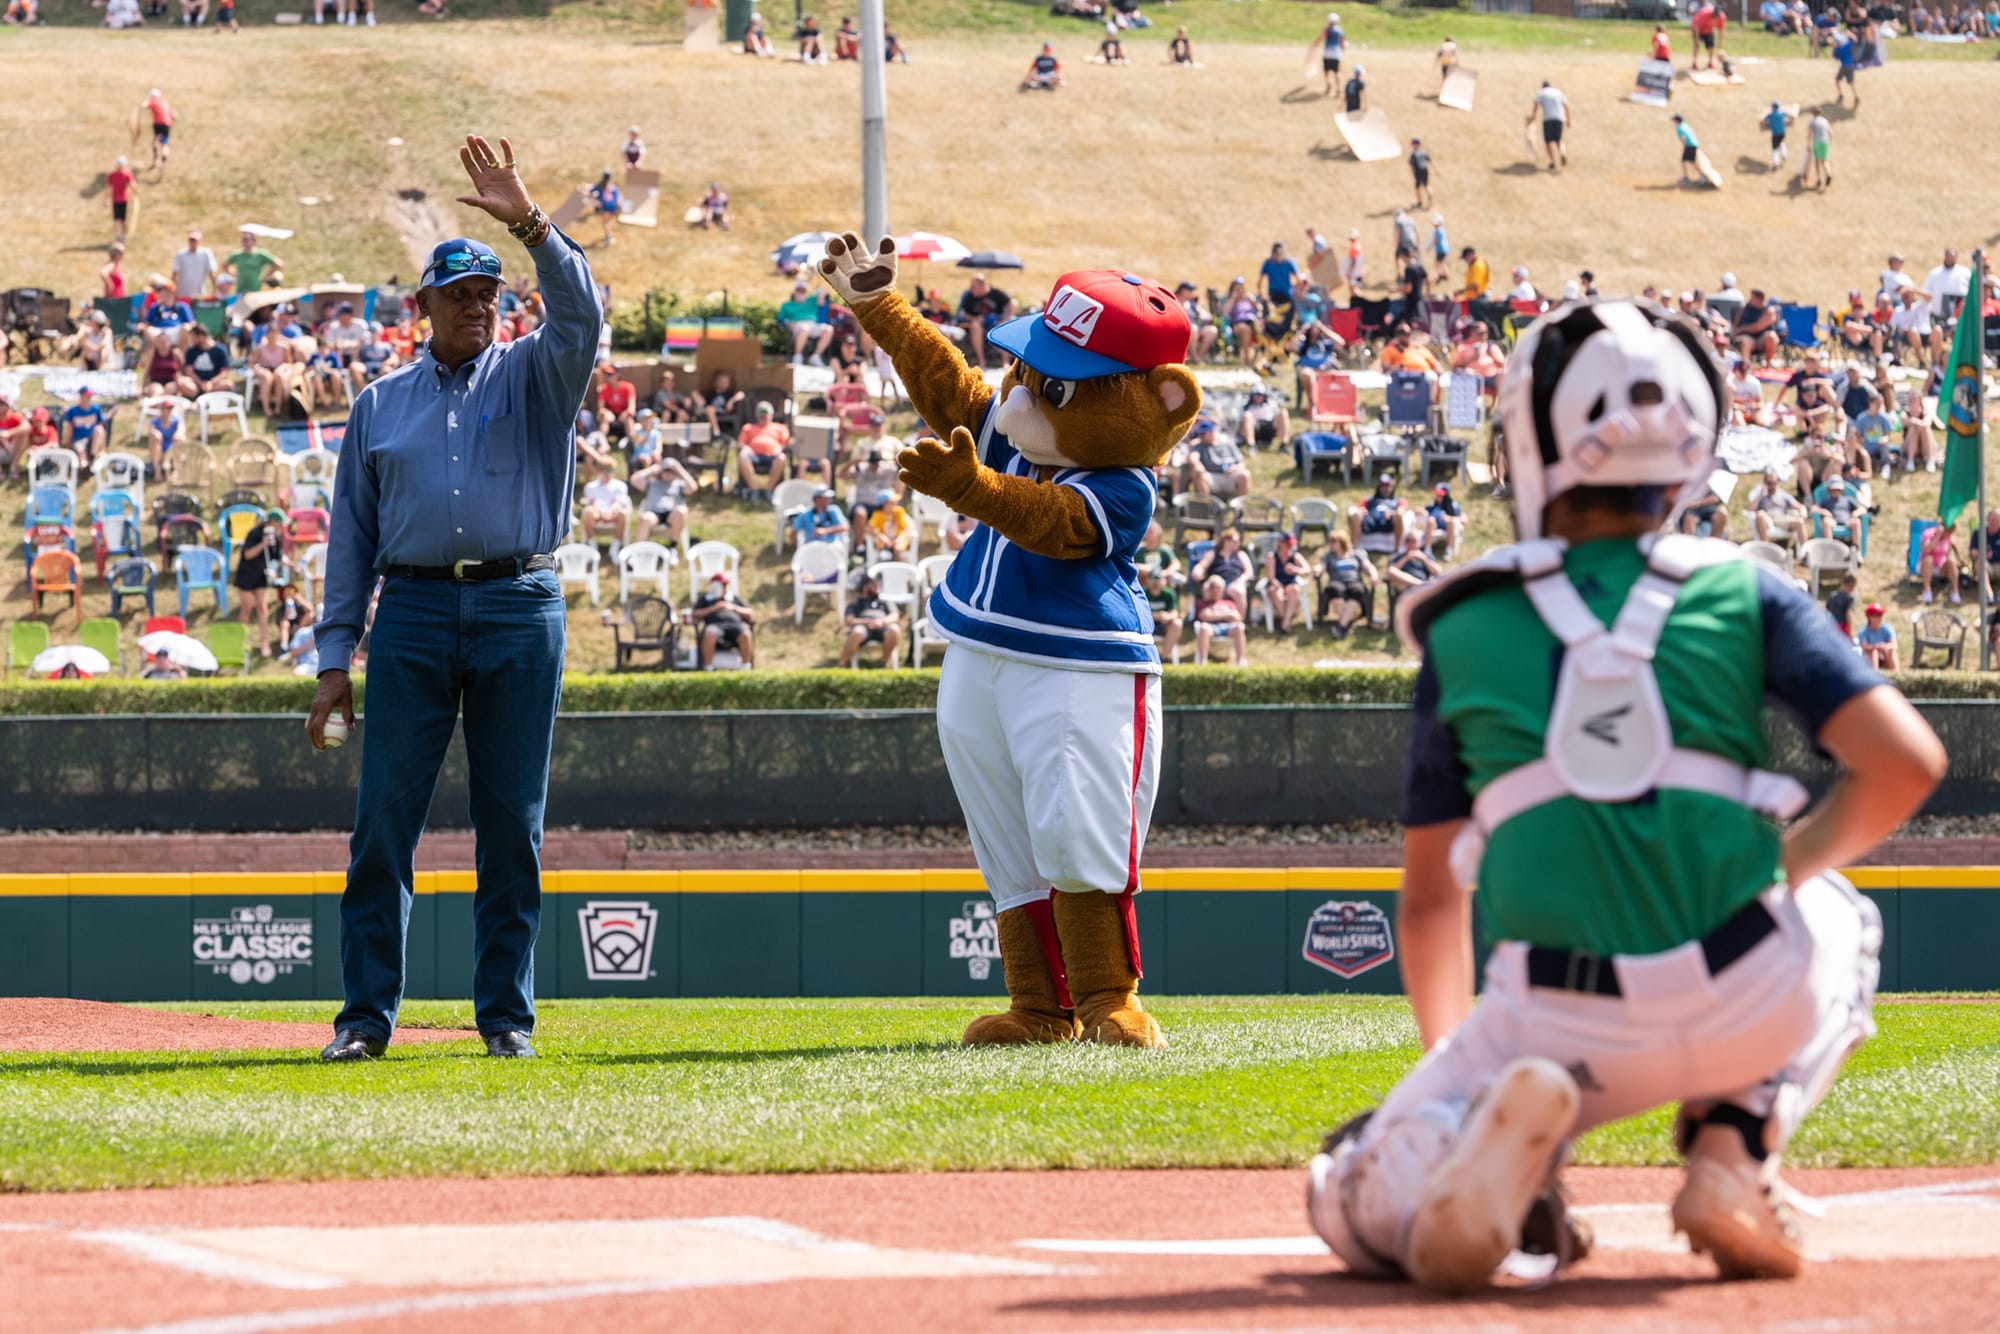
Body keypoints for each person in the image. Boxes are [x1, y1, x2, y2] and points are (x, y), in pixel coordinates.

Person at [1306, 297, 1945, 1296]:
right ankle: (1731, 1151)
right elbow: (1905, 763)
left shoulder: (1464, 621)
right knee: (1837, 914)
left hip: (1557, 1018)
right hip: (1750, 994)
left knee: (1347, 1193)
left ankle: (1467, 1156)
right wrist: (1782, 867)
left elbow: (1433, 896)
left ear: (1532, 432)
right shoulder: (1745, 588)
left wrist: (1455, 1071)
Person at [308, 134, 602, 1064]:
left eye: (491, 294)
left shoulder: (537, 372)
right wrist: (331, 659)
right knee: (382, 824)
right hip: (415, 613)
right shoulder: (377, 403)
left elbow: (581, 313)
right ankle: (365, 1019)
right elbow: (351, 537)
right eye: (462, 294)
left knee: (511, 825)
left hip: (520, 603)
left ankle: (505, 1019)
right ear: (422, 305)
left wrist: (528, 223)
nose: (480, 306)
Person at [234, 508, 282, 657]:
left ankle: (264, 643)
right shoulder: (255, 533)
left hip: (261, 575)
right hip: (246, 575)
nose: (280, 526)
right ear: (273, 521)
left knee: (262, 608)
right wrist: (263, 544)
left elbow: (278, 557)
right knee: (247, 608)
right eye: (279, 522)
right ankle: (240, 642)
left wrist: (292, 565)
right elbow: (248, 554)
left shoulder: (275, 536)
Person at [1136, 520, 1185, 658]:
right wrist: (1149, 570)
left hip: (1161, 590)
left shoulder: (1164, 550)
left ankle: (1165, 657)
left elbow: (1176, 564)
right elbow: (1132, 565)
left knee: (1176, 623)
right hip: (1144, 589)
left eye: (1151, 531)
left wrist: (1165, 573)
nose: (1148, 534)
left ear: (1158, 533)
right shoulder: (1140, 550)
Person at [629, 452, 697, 548]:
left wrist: (680, 469)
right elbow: (633, 480)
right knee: (645, 518)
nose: (669, 473)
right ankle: (637, 552)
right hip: (654, 514)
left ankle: (672, 547)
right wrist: (651, 469)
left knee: (681, 511)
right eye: (666, 470)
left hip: (672, 515)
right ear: (661, 471)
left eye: (672, 471)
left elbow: (693, 487)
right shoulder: (652, 484)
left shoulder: (679, 485)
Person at [690, 570, 757, 667]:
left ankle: (746, 667)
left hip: (735, 627)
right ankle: (708, 668)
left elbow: (750, 613)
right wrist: (714, 608)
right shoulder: (706, 599)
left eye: (726, 585)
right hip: (715, 627)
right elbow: (695, 614)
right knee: (710, 633)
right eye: (723, 584)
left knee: (746, 634)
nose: (725, 587)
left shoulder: (733, 598)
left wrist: (734, 608)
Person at [839, 573, 902, 667]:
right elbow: (849, 620)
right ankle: (842, 664)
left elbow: (895, 616)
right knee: (857, 632)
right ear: (864, 588)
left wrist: (881, 622)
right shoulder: (855, 603)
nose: (877, 586)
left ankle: (882, 662)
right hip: (863, 628)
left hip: (883, 628)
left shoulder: (884, 602)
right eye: (873, 584)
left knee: (895, 629)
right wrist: (865, 622)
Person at [956, 273, 1014, 370]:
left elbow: (1012, 303)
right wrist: (975, 319)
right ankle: (981, 360)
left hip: (996, 323)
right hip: (979, 326)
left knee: (1003, 326)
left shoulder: (996, 293)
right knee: (975, 326)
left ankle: (1005, 362)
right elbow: (964, 313)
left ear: (981, 285)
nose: (971, 289)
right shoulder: (970, 296)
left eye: (973, 286)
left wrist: (1006, 319)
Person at [737, 400, 792, 498]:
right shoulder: (748, 427)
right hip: (753, 456)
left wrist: (779, 448)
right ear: (756, 415)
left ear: (771, 414)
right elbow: (741, 443)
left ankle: (769, 490)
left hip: (772, 456)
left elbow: (786, 443)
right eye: (761, 414)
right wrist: (745, 448)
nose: (763, 417)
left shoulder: (781, 427)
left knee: (782, 457)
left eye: (765, 414)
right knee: (742, 455)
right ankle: (753, 490)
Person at [1190, 574, 1248, 666]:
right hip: (1211, 628)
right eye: (1213, 587)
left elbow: (1237, 617)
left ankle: (1241, 661)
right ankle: (1203, 662)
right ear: (1208, 589)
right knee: (1204, 628)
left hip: (1228, 627)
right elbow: (1204, 616)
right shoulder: (1202, 603)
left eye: (1218, 587)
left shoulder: (1229, 603)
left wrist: (1214, 614)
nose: (1215, 590)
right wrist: (1226, 614)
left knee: (1239, 627)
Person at [1264, 531, 1311, 633]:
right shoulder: (1272, 557)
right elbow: (1271, 578)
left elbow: (1307, 569)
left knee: (1294, 589)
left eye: (1291, 545)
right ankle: (1286, 619)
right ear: (1280, 543)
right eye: (1288, 544)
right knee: (1274, 591)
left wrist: (1295, 569)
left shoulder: (1295, 556)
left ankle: (1285, 621)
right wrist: (1278, 586)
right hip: (1277, 585)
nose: (1290, 547)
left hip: (1291, 585)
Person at [1747, 467, 1809, 544]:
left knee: (1800, 522)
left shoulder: (1783, 494)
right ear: (1765, 483)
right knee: (1760, 515)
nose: (1772, 486)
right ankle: (1765, 547)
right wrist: (1760, 495)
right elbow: (1749, 509)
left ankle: (1805, 552)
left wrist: (1803, 513)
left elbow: (1800, 506)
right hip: (1767, 518)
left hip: (1782, 518)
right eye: (1769, 483)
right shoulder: (1760, 495)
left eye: (1775, 483)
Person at [62, 386, 110, 464]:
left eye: (89, 396)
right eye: (86, 396)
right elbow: (69, 429)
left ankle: (93, 456)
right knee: (82, 456)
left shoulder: (95, 409)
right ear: (81, 396)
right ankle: (85, 468)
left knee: (99, 429)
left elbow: (101, 427)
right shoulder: (73, 411)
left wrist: (102, 449)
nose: (88, 398)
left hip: (92, 439)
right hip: (78, 439)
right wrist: (68, 446)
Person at [1529, 81, 1570, 172]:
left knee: (1548, 142)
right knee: (1559, 140)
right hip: (1560, 118)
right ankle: (1563, 153)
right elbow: (1566, 106)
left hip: (1548, 119)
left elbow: (1536, 105)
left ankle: (1552, 162)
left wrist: (1532, 117)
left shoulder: (1542, 92)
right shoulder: (1558, 92)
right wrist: (1568, 120)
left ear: (1543, 87)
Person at [1920, 519, 1962, 604]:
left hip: (1941, 567)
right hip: (1926, 566)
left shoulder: (1948, 536)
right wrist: (1937, 536)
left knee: (1951, 561)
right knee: (1929, 559)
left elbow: (1954, 546)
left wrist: (1960, 560)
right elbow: (1926, 549)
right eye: (1948, 532)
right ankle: (1927, 591)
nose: (1949, 535)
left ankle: (1955, 592)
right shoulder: (1928, 534)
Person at [1426, 483, 1465, 559]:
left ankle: (1448, 550)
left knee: (1450, 522)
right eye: (1437, 494)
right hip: (1435, 526)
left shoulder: (1454, 506)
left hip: (1448, 527)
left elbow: (1464, 520)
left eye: (1440, 495)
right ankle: (1428, 550)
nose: (1437, 496)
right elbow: (1425, 511)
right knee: (1430, 520)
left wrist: (1450, 518)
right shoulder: (1433, 506)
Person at [140, 88, 175, 172]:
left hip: (158, 124)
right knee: (165, 143)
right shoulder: (165, 103)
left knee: (155, 141)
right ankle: (164, 157)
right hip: (167, 124)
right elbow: (174, 116)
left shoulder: (153, 101)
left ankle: (156, 158)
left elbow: (144, 104)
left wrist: (141, 107)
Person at [1856, 603, 1899, 670]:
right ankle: (1874, 676)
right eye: (1877, 615)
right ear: (1869, 617)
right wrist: (1876, 647)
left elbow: (1894, 645)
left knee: (1891, 651)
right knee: (1873, 652)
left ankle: (1896, 674)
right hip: (1871, 658)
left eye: (1880, 615)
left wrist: (1885, 646)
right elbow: (1864, 646)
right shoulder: (1863, 631)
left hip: (1885, 656)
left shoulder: (1887, 628)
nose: (1879, 617)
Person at [1313, 10, 1346, 96]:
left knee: (1326, 70)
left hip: (1327, 53)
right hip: (1337, 53)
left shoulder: (1327, 30)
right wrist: (1342, 52)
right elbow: (1342, 43)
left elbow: (1322, 38)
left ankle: (1328, 83)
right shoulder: (1340, 30)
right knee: (1337, 71)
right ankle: (1338, 87)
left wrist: (1315, 43)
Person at [588, 170, 621, 248]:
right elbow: (617, 198)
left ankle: (608, 237)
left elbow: (591, 190)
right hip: (613, 206)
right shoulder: (613, 187)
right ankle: (609, 235)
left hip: (606, 206)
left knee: (606, 223)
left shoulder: (600, 186)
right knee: (608, 222)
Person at [1691, 0, 1728, 70]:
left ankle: (1710, 62)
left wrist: (1720, 47)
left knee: (1711, 47)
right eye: (1714, 16)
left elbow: (1721, 32)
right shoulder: (1704, 13)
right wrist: (1697, 39)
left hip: (1709, 30)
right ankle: (1694, 63)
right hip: (1698, 29)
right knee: (1696, 45)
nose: (1715, 18)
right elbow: (1696, 26)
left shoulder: (1722, 17)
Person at [1802, 106, 1832, 190]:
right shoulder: (1825, 121)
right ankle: (1828, 174)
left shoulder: (1812, 122)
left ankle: (1819, 179)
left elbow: (1809, 134)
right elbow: (1831, 133)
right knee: (1825, 160)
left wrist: (1808, 145)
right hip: (1825, 142)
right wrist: (1828, 142)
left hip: (1817, 143)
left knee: (1817, 162)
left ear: (1813, 114)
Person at [106, 158, 135, 244]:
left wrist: (106, 199)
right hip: (122, 199)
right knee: (120, 219)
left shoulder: (112, 175)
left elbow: (108, 187)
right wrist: (137, 192)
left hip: (117, 199)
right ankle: (120, 235)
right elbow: (132, 184)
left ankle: (119, 235)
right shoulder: (126, 174)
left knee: (118, 219)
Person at [1674, 113, 1706, 186]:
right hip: (1693, 144)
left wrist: (1684, 148)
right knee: (1685, 161)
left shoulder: (1679, 128)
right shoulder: (1685, 125)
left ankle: (1702, 176)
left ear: (1677, 121)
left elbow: (1683, 138)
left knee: (1691, 162)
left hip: (1689, 146)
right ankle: (1686, 177)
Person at [1833, 24, 1861, 106]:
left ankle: (1841, 95)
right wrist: (1848, 33)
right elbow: (1855, 39)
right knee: (1851, 82)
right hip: (1851, 65)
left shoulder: (1837, 50)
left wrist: (1835, 48)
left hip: (1844, 66)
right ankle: (1856, 96)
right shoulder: (1847, 45)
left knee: (1837, 80)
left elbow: (1836, 58)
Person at [1760, 102, 1792, 171]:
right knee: (1782, 142)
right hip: (1782, 133)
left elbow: (1762, 120)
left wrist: (1764, 126)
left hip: (1775, 134)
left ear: (1772, 107)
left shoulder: (1770, 115)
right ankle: (1784, 154)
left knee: (1774, 149)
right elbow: (1791, 116)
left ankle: (1776, 163)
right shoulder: (1782, 113)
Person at [1408, 138, 1434, 210]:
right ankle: (1430, 195)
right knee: (1426, 185)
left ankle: (1419, 203)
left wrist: (1412, 174)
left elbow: (1411, 165)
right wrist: (1436, 170)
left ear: (1416, 145)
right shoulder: (1424, 152)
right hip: (1425, 170)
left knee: (1417, 188)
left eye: (1412, 144)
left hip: (1418, 172)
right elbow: (1429, 160)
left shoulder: (1414, 154)